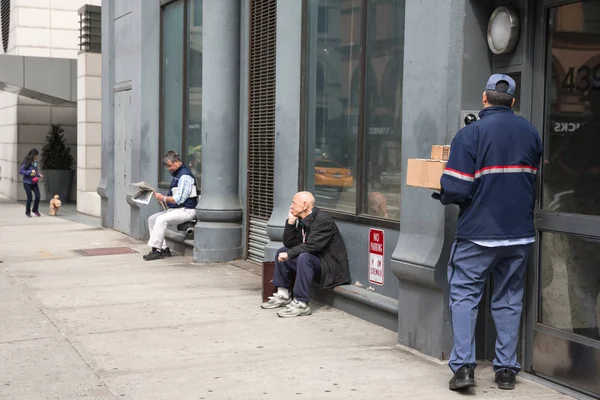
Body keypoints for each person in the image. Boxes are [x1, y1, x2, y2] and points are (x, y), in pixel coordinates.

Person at [433, 74, 542, 391]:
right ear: (512, 101)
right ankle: (506, 370)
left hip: (479, 233)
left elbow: (456, 187)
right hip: (519, 234)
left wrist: (441, 190)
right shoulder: (531, 133)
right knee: (509, 299)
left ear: (484, 99)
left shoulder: (470, 134)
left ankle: (465, 368)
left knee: (465, 297)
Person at [261, 191, 350, 317]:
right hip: (314, 262)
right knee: (282, 251)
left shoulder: (323, 220)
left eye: (294, 203)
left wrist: (290, 254)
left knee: (303, 256)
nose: (291, 206)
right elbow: (289, 244)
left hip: (329, 268)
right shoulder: (303, 221)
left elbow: (313, 245)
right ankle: (283, 295)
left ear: (305, 205)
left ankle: (301, 303)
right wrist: (291, 222)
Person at [144, 151, 198, 261]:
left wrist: (163, 198)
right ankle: (164, 249)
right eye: (167, 166)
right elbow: (176, 198)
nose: (168, 168)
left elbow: (180, 199)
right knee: (152, 219)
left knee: (160, 220)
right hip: (178, 209)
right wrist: (163, 201)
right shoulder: (178, 175)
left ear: (176, 162)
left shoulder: (185, 176)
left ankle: (156, 250)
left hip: (187, 210)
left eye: (169, 166)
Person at [19, 148, 43, 218]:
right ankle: (27, 212)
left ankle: (35, 209)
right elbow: (21, 171)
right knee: (29, 197)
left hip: (34, 182)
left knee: (38, 196)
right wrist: (29, 172)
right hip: (27, 182)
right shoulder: (26, 161)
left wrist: (38, 175)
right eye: (36, 155)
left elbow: (35, 172)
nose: (36, 157)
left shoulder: (35, 162)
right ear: (33, 155)